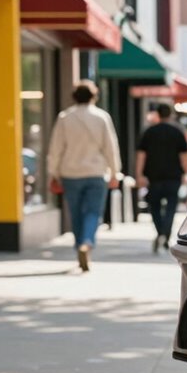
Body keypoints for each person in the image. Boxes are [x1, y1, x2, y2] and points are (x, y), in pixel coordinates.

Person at [47, 80, 121, 272]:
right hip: (96, 172)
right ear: (94, 96)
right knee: (93, 212)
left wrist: (53, 172)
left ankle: (79, 243)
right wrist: (115, 172)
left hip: (70, 173)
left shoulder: (65, 117)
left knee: (76, 212)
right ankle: (87, 241)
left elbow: (56, 148)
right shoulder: (101, 117)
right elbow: (110, 147)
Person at [135, 103, 187, 252]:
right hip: (173, 176)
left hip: (154, 177)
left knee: (154, 206)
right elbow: (185, 155)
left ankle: (161, 231)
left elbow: (141, 155)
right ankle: (165, 233)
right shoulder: (177, 132)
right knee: (171, 207)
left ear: (158, 114)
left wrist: (139, 174)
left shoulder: (149, 132)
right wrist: (185, 172)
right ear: (170, 114)